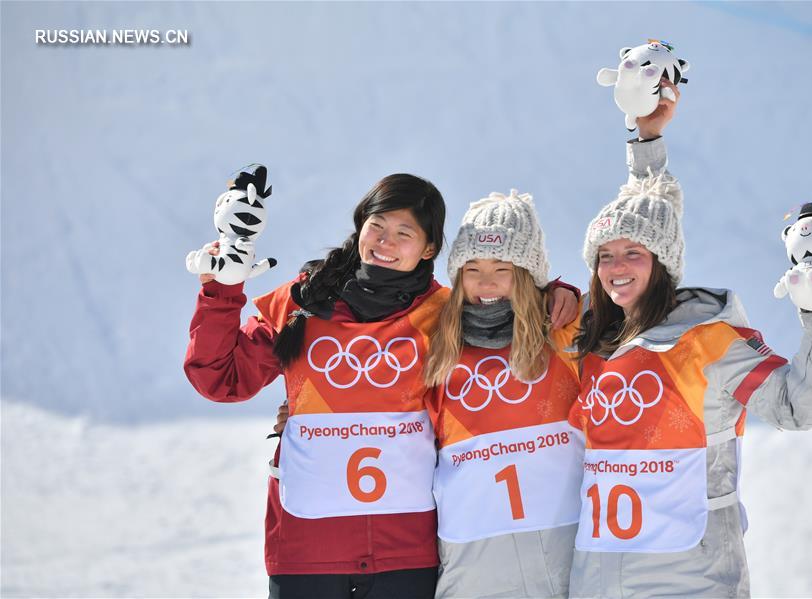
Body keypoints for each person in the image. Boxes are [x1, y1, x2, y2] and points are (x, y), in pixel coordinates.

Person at [187, 173, 577, 599]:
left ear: (429, 248)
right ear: (360, 228)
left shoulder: (443, 311)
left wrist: (556, 293)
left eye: (404, 232)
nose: (385, 242)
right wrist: (222, 289)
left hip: (405, 552)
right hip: (306, 548)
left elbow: (501, 304)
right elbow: (220, 379)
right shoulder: (301, 304)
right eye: (377, 226)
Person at [567, 81, 812, 598]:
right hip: (600, 577)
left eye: (633, 253)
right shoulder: (591, 339)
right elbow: (648, 210)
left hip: (691, 581)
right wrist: (645, 137)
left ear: (662, 264)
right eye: (605, 256)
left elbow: (798, 408)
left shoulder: (708, 340)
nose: (616, 268)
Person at [424, 190, 584, 598]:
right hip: (471, 564)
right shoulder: (437, 344)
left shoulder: (566, 332)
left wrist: (562, 290)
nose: (487, 281)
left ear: (530, 275)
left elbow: (638, 307)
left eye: (503, 268)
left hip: (561, 557)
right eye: (472, 268)